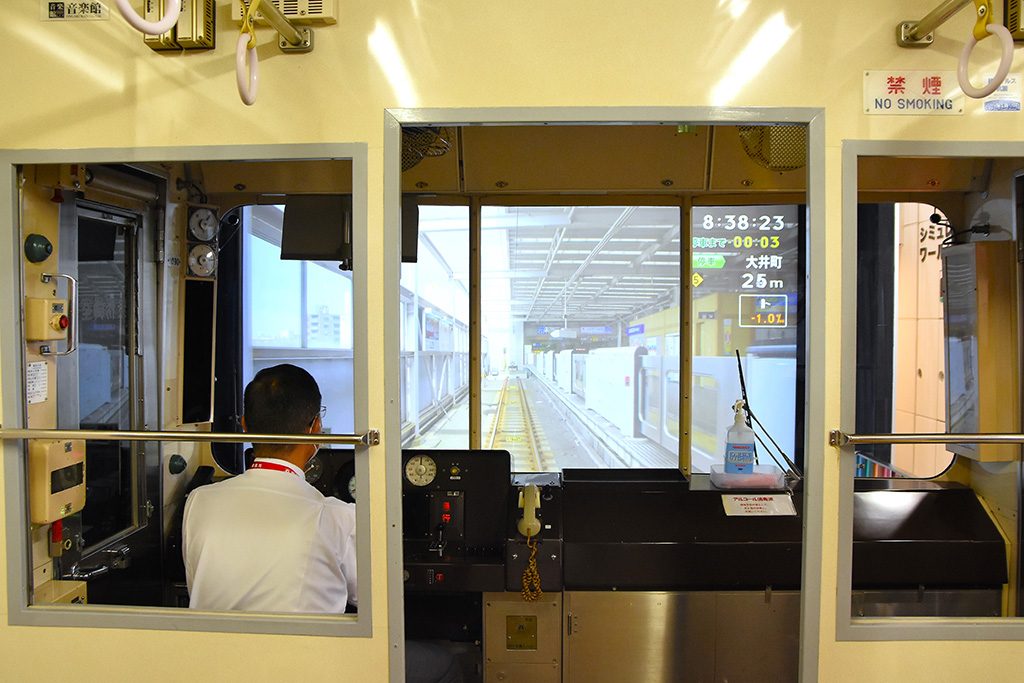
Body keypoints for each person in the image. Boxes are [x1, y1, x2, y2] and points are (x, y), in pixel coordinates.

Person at [182, 363, 357, 612]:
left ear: (244, 424)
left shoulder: (199, 501)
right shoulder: (339, 518)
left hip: (212, 649)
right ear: (315, 427)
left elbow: (197, 587)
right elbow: (369, 595)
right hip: (306, 651)